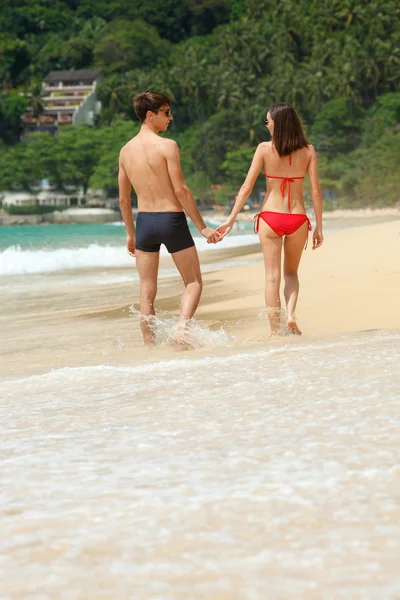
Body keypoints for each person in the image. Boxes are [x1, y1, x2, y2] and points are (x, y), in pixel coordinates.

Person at [118, 90, 221, 345]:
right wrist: (202, 227)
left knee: (146, 290)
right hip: (171, 221)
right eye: (166, 113)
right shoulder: (167, 146)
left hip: (145, 224)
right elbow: (181, 191)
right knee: (194, 282)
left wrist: (131, 234)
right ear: (150, 115)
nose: (170, 118)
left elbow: (123, 199)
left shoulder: (125, 151)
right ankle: (182, 328)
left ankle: (149, 346)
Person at [217, 102, 323, 336]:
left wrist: (231, 218)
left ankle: (275, 331)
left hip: (270, 218)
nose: (266, 125)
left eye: (268, 121)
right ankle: (292, 315)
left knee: (271, 277)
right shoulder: (308, 150)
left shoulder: (264, 149)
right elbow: (316, 191)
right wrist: (319, 227)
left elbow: (247, 186)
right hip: (297, 219)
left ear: (278, 123)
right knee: (291, 273)